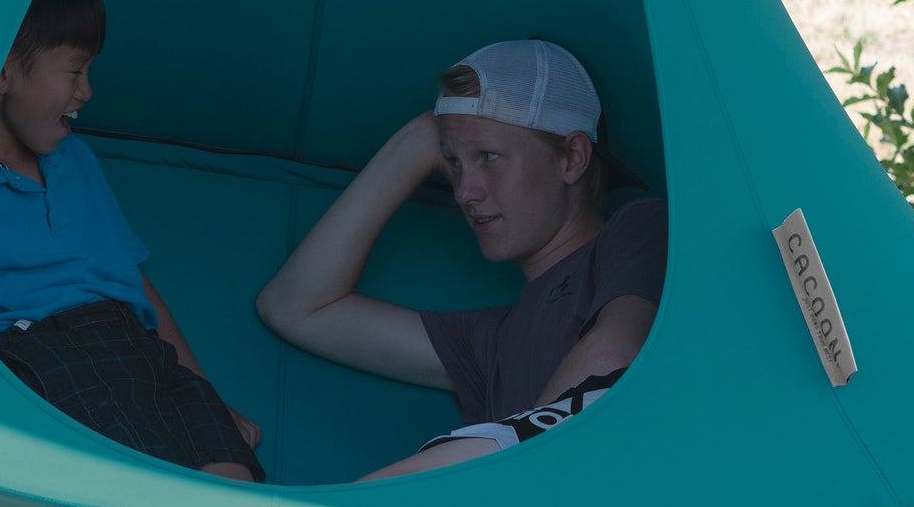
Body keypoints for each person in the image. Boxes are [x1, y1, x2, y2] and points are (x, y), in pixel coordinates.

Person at [255, 39, 665, 479]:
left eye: (488, 157)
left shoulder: (640, 226)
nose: (464, 192)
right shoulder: (491, 343)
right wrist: (416, 141)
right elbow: (296, 308)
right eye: (452, 163)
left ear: (572, 159)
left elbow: (610, 355)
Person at [0, 0, 262, 481]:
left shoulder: (74, 159)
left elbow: (133, 284)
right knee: (165, 494)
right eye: (75, 71)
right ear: (4, 71)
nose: (87, 91)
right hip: (46, 354)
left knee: (234, 479)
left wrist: (205, 393)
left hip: (138, 350)